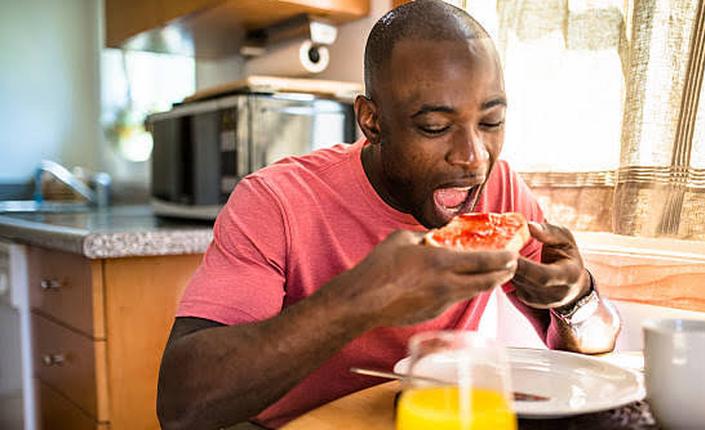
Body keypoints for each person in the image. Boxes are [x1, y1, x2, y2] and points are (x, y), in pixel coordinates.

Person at [156, 1, 621, 429]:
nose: (473, 157)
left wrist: (576, 297)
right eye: (435, 127)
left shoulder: (500, 190)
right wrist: (361, 300)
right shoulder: (274, 201)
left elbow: (596, 344)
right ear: (372, 122)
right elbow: (182, 404)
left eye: (491, 121)